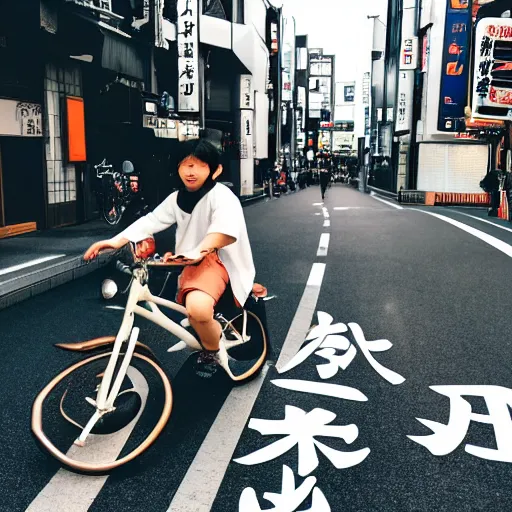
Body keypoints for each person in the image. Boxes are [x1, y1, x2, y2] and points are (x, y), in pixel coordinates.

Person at [84, 139, 256, 377]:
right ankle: (206, 332)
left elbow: (224, 232)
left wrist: (199, 250)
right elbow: (151, 221)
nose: (190, 171)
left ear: (215, 170)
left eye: (199, 165)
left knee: (198, 309)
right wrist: (115, 241)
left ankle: (213, 351)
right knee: (180, 306)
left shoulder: (222, 196)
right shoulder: (177, 198)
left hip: (218, 260)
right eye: (185, 165)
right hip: (190, 261)